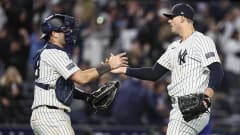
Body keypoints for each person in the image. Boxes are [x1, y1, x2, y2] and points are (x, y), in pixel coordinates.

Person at [111, 3, 224, 135]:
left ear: (182, 18)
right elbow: (154, 73)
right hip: (178, 107)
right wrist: (124, 70)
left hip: (195, 103)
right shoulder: (173, 47)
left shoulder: (201, 40)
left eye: (172, 17)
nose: (169, 21)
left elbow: (217, 70)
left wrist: (206, 96)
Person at [30, 13, 128, 135]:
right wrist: (109, 66)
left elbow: (61, 86)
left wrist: (86, 97)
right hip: (51, 116)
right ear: (54, 34)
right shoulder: (54, 52)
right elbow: (82, 78)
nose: (69, 32)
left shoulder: (47, 53)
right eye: (65, 29)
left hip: (45, 115)